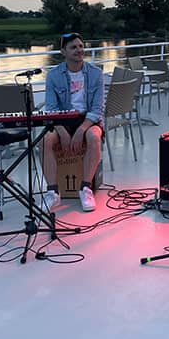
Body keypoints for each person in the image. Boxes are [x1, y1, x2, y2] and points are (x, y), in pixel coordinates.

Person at [41, 33, 105, 212]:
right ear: (63, 51)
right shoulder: (53, 75)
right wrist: (62, 132)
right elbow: (52, 108)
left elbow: (97, 109)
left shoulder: (96, 74)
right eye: (73, 47)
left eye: (80, 46)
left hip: (88, 118)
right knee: (46, 140)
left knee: (94, 137)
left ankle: (85, 188)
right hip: (62, 118)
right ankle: (53, 192)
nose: (79, 50)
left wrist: (80, 131)